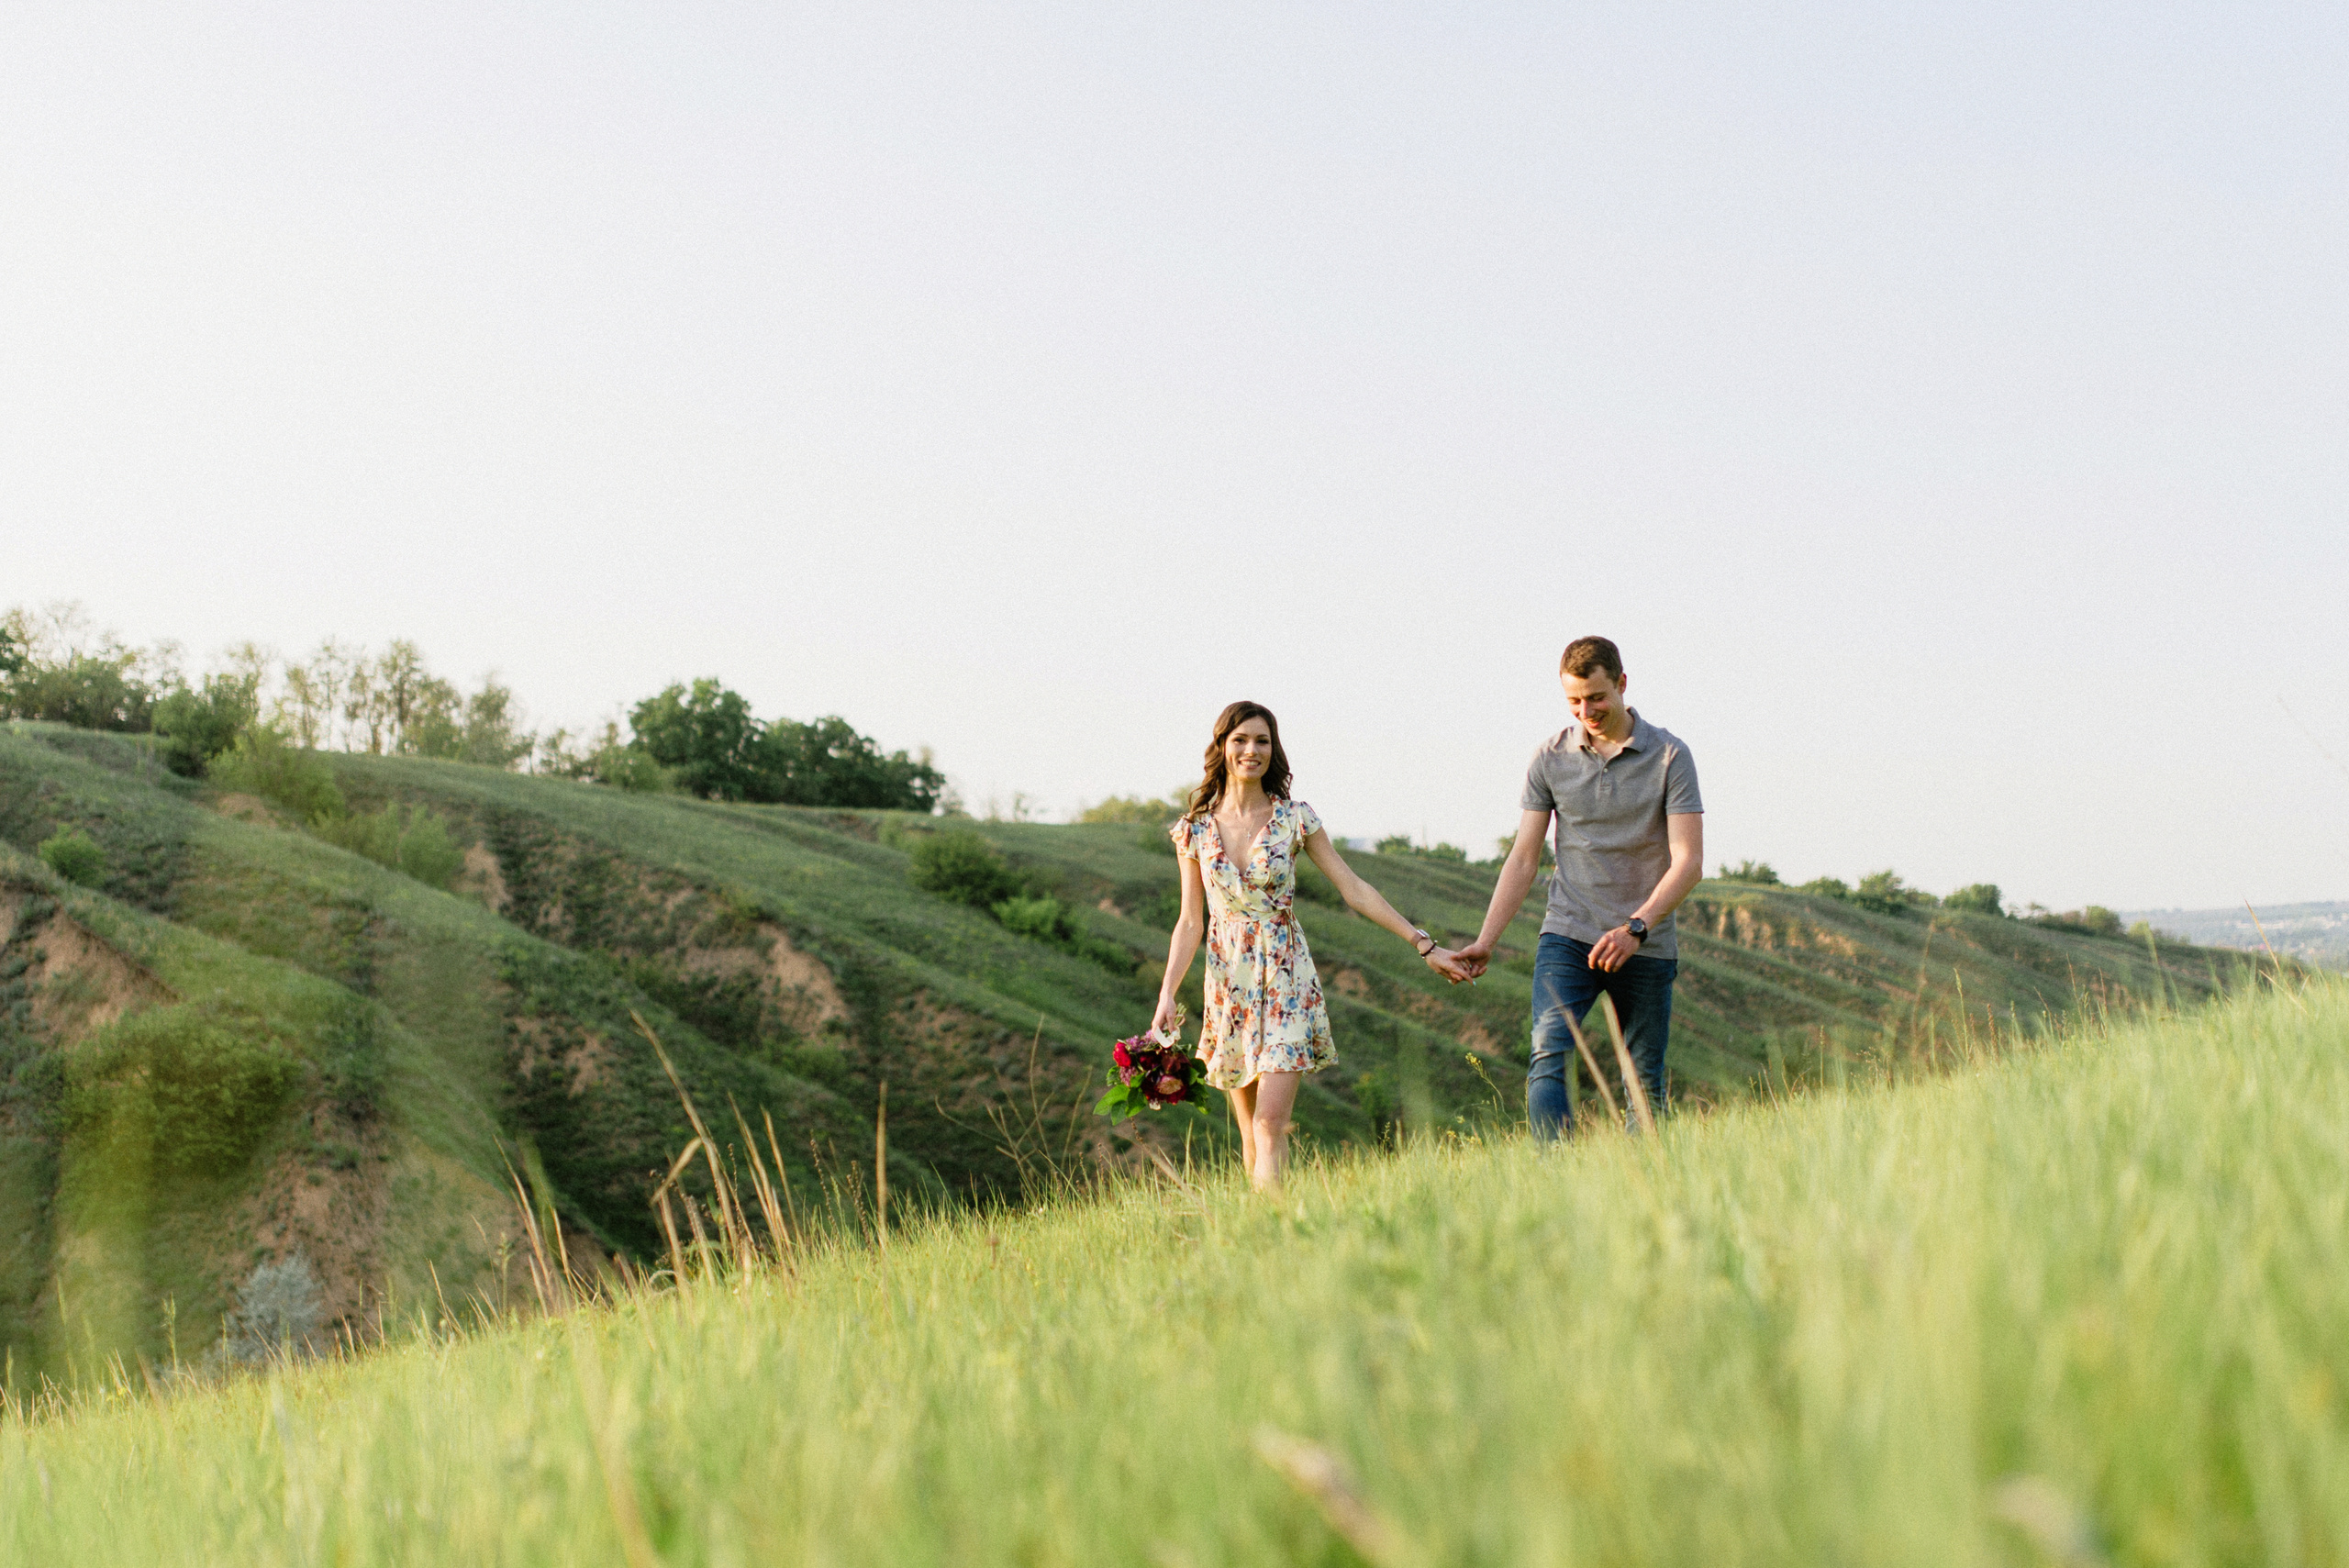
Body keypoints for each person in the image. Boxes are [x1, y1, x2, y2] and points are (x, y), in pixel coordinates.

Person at [1153, 700, 1470, 1189]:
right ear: (1222, 747)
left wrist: (1422, 944)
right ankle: (1266, 1240)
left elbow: (1354, 888)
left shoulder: (1295, 818)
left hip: (1285, 975)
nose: (1251, 750)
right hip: (1228, 985)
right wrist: (1168, 993)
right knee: (1249, 1132)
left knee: (1269, 1122)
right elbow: (1190, 921)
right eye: (1240, 740)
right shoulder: (1194, 829)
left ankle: (1277, 1227)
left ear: (1273, 749)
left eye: (1262, 740)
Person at [1457, 637, 1703, 1137]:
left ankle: (1647, 1189)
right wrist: (1486, 940)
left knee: (1643, 1080)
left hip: (1645, 942)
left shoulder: (1670, 757)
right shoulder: (1549, 758)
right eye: (1574, 700)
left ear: (1622, 685)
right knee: (1548, 1050)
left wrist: (1636, 927)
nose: (1586, 710)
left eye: (1596, 697)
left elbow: (1689, 862)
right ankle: (1557, 1176)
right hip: (1568, 932)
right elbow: (1524, 858)